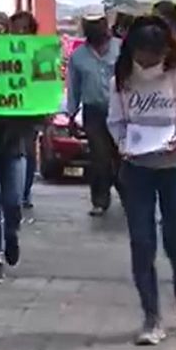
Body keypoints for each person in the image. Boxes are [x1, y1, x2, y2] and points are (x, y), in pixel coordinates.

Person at [107, 16, 176, 346]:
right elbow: (116, 120)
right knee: (142, 241)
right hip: (137, 168)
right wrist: (123, 142)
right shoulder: (122, 79)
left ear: (165, 50)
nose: (145, 62)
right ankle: (151, 317)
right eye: (140, 54)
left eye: (152, 55)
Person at [0, 11, 46, 283]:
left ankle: (12, 234)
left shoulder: (22, 61)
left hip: (14, 145)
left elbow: (39, 96)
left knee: (12, 201)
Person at [67, 13, 122, 216]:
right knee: (99, 158)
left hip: (121, 110)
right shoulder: (78, 56)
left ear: (105, 25)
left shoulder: (122, 48)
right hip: (94, 112)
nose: (96, 29)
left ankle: (129, 196)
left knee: (122, 156)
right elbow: (73, 87)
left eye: (98, 24)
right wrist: (71, 115)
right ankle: (100, 200)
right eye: (90, 25)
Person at [9, 11, 41, 209]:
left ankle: (25, 192)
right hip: (6, 108)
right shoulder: (2, 50)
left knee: (28, 151)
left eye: (25, 29)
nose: (20, 32)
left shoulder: (38, 52)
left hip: (30, 111)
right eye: (16, 28)